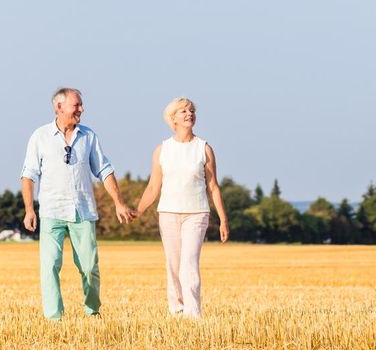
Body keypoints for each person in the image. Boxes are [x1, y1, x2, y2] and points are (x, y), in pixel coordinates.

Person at [20, 87, 136, 320]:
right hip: (52, 211)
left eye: (81, 105)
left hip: (83, 211)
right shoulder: (40, 136)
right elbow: (29, 175)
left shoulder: (89, 136)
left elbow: (104, 170)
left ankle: (92, 311)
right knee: (50, 265)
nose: (81, 109)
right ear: (59, 107)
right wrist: (29, 210)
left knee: (89, 266)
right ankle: (54, 317)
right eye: (77, 105)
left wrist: (119, 203)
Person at [135, 96, 229, 318]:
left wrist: (223, 220)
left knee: (189, 262)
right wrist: (138, 210)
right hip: (168, 213)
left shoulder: (204, 148)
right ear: (172, 118)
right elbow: (152, 187)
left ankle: (192, 313)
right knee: (173, 264)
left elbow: (213, 187)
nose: (189, 114)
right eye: (184, 111)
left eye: (191, 111)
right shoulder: (162, 149)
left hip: (196, 213)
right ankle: (176, 309)